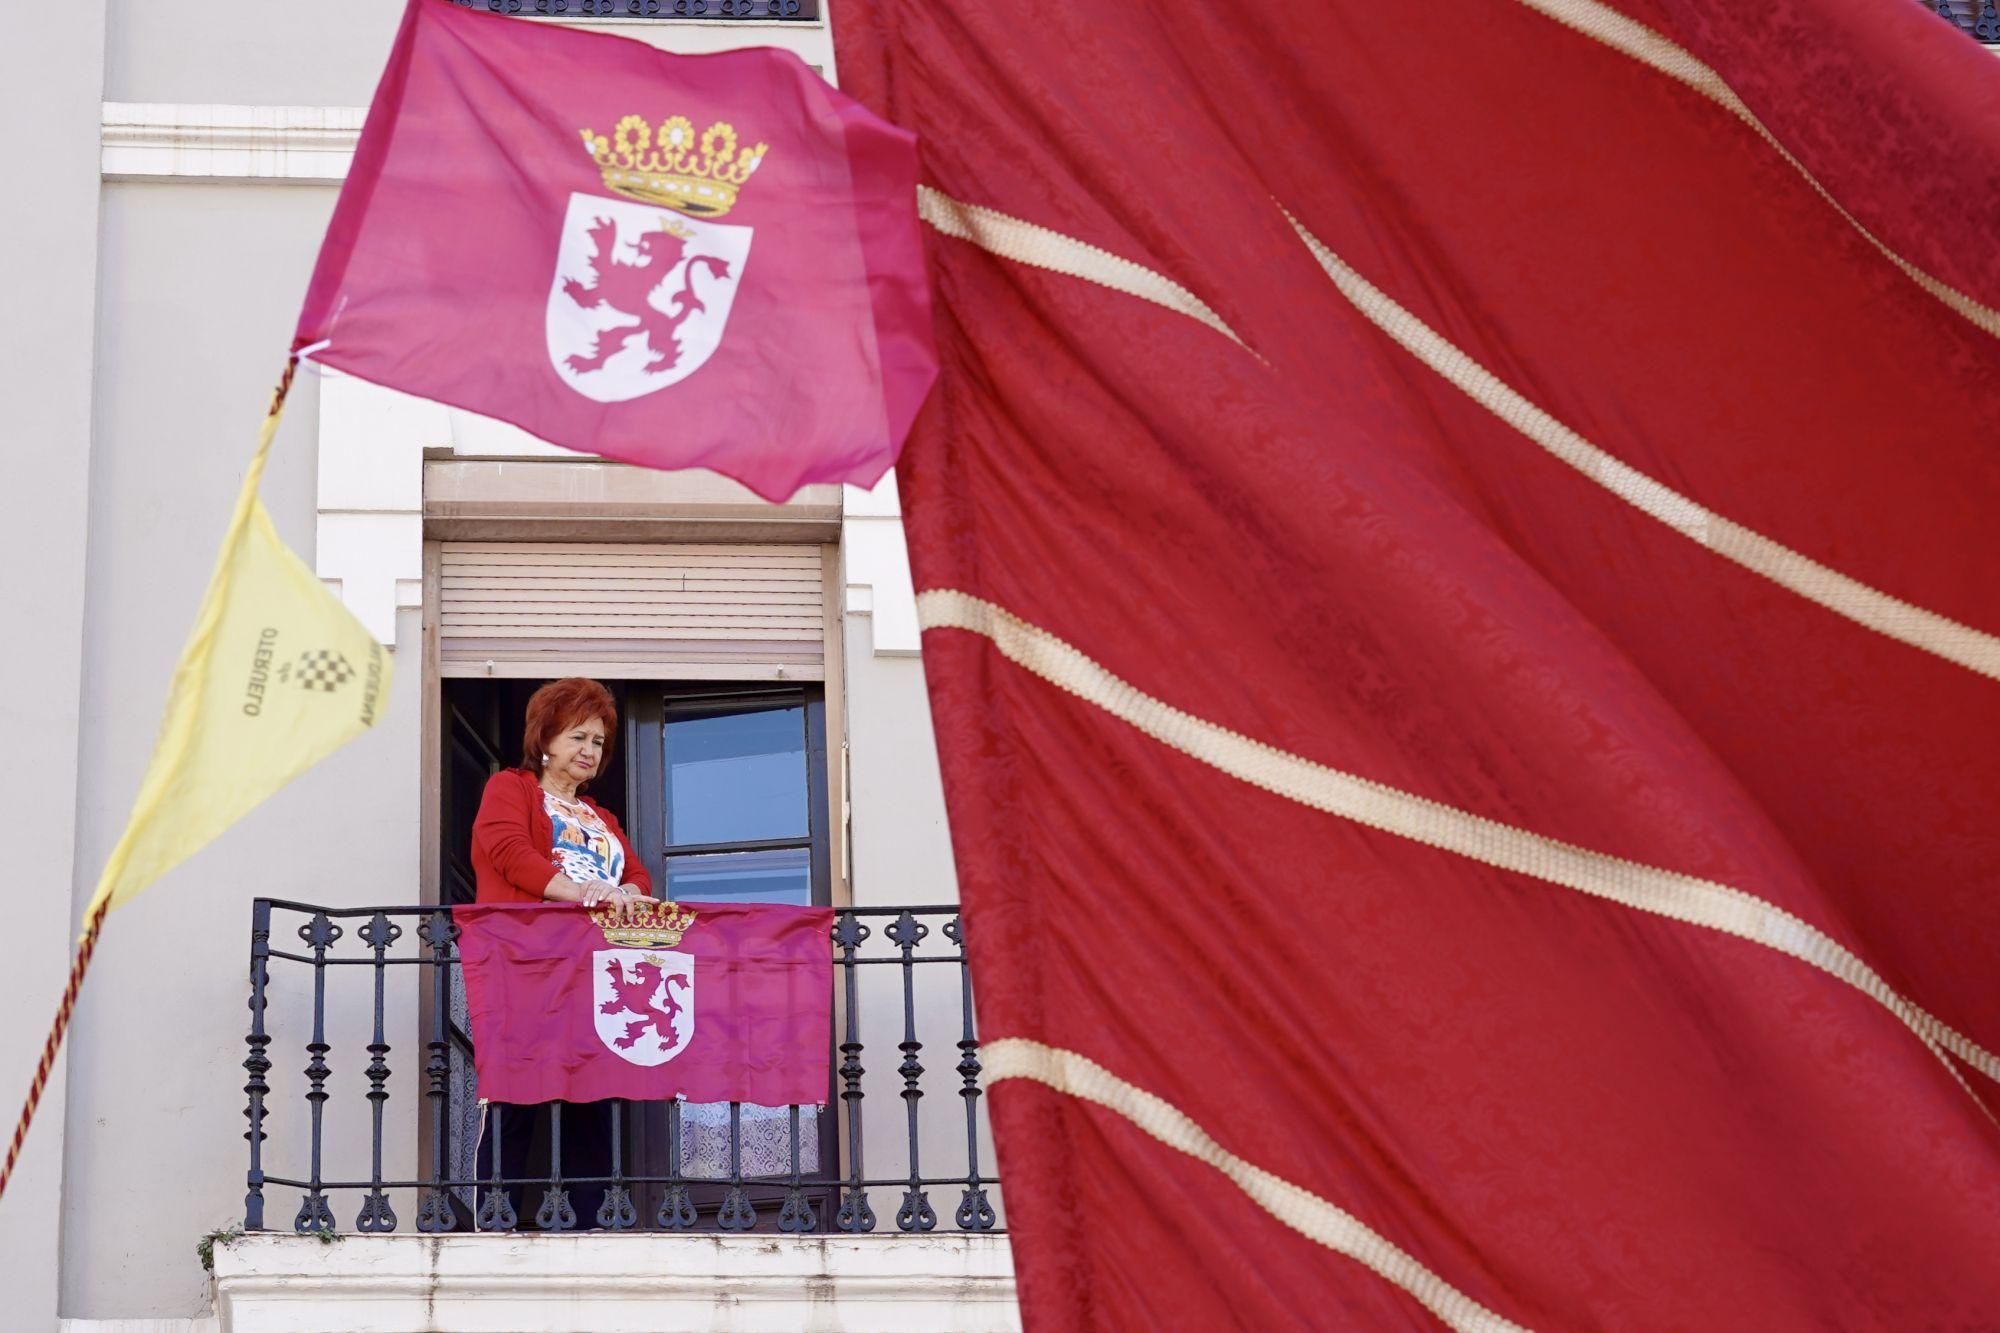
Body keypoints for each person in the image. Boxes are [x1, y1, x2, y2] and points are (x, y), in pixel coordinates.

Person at [467, 677, 647, 1228]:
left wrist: (629, 895)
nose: (589, 751)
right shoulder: (512, 788)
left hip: (593, 969)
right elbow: (507, 852)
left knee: (592, 1090)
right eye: (577, 737)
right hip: (526, 963)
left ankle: (592, 1220)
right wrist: (585, 893)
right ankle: (495, 1219)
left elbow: (636, 874)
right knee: (518, 1087)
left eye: (597, 741)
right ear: (545, 740)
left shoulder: (602, 817)